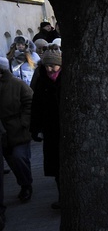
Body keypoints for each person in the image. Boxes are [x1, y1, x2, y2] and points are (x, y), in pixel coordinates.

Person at [30, 48, 63, 209]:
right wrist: (34, 128)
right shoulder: (42, 80)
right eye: (47, 66)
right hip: (51, 129)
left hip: (66, 128)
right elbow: (35, 106)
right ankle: (62, 197)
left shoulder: (66, 78)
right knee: (57, 167)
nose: (50, 69)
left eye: (53, 66)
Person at [0, 56, 33, 204]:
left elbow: (30, 102)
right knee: (12, 161)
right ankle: (23, 182)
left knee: (19, 157)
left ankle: (27, 185)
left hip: (18, 129)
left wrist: (24, 122)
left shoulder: (17, 84)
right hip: (2, 132)